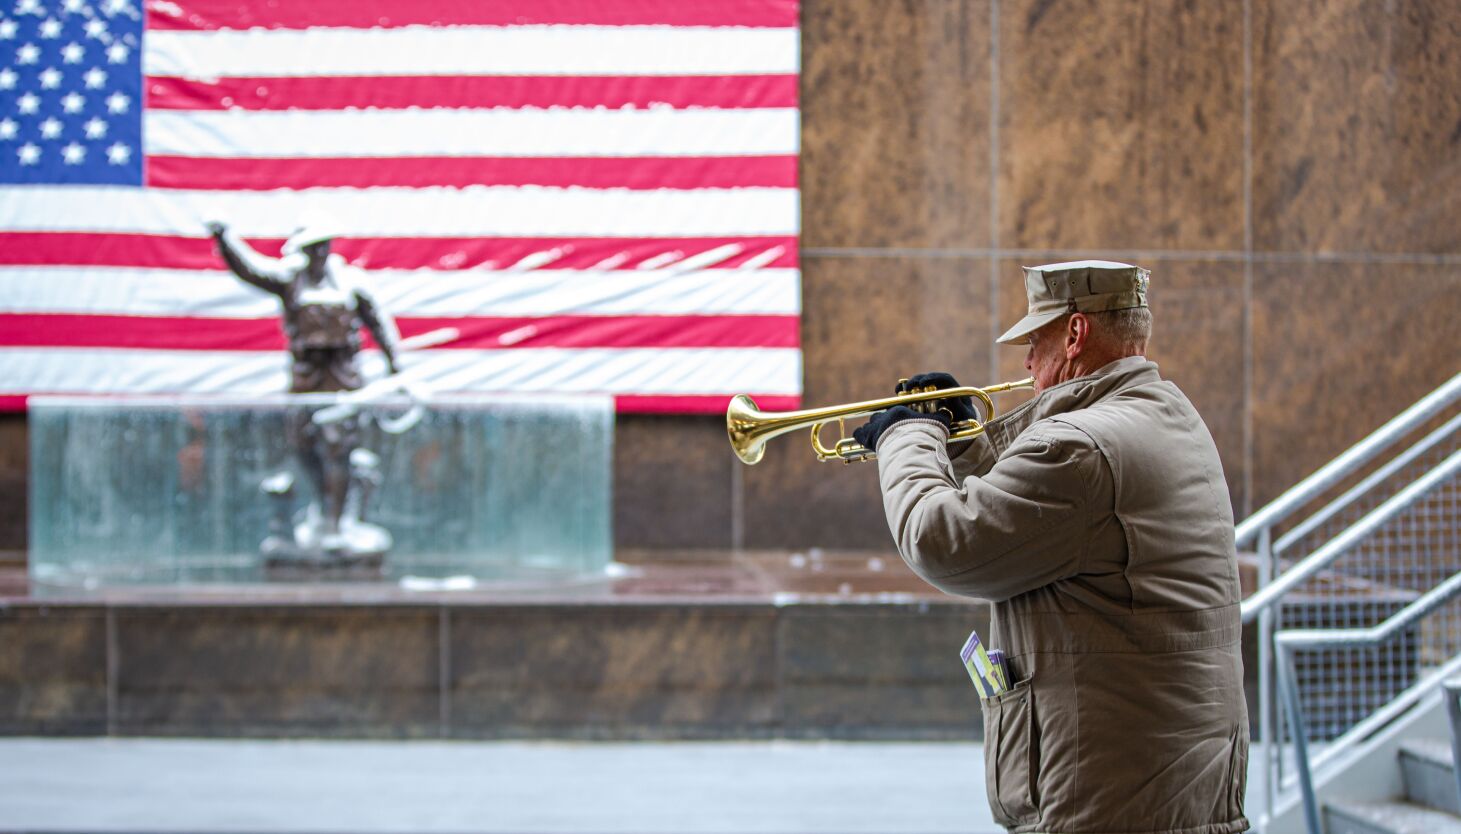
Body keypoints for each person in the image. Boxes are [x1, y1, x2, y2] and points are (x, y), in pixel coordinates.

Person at [852, 261, 1248, 834]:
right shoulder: (1166, 416)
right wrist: (966, 449)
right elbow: (1047, 529)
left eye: (1034, 340)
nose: (1026, 362)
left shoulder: (1081, 448)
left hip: (1109, 801)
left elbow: (939, 541)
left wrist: (905, 435)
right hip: (1170, 787)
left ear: (1075, 333)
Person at [207, 221, 402, 563]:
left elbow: (378, 322)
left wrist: (394, 364)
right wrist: (225, 241)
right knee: (302, 446)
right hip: (306, 378)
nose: (318, 253)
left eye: (323, 246)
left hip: (342, 379)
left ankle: (335, 522)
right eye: (312, 247)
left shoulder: (351, 283)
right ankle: (323, 506)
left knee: (337, 448)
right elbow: (250, 270)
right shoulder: (290, 280)